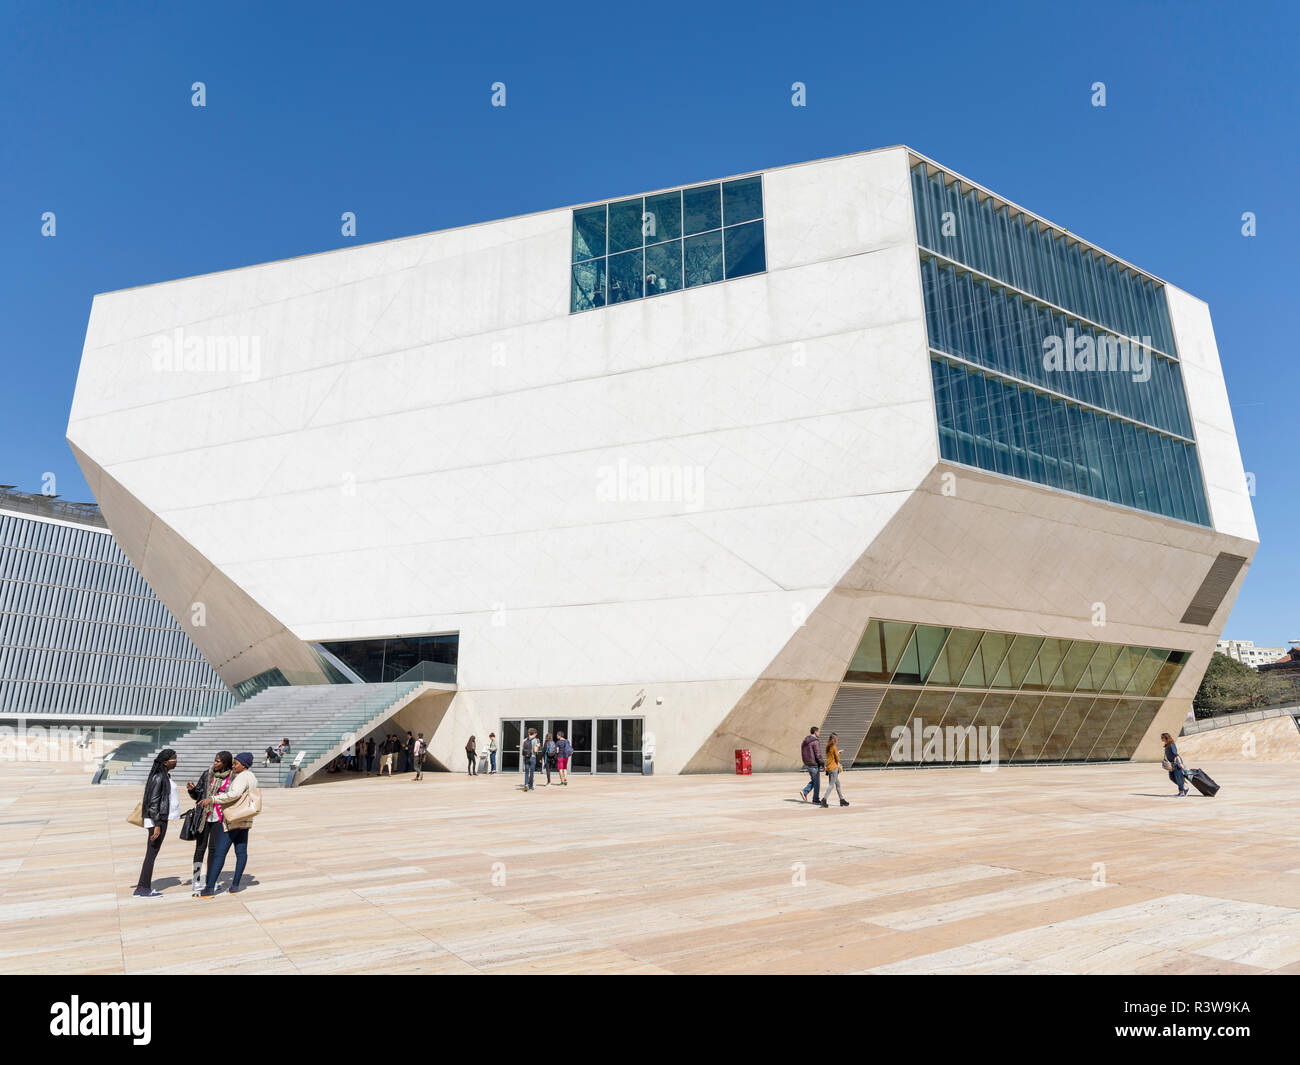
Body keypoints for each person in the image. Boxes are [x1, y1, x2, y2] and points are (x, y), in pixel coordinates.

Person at [200, 752, 259, 896]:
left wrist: (213, 799)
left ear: (243, 765)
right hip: (245, 819)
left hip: (232, 819)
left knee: (219, 854)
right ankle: (235, 885)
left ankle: (209, 888)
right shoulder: (252, 777)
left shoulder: (241, 777)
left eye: (236, 763)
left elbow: (234, 794)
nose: (233, 766)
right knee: (241, 852)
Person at [186, 751, 233, 897]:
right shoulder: (208, 774)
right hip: (204, 817)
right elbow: (198, 795)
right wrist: (192, 790)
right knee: (200, 849)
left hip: (219, 817)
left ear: (225, 763)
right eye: (215, 760)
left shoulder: (232, 777)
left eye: (218, 761)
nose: (215, 763)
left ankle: (211, 881)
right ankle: (196, 879)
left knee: (213, 849)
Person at [134, 748, 178, 898]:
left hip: (160, 819)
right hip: (156, 821)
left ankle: (142, 886)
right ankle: (143, 888)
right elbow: (154, 803)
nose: (176, 761)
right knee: (151, 854)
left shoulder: (165, 775)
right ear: (166, 762)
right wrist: (158, 825)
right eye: (174, 759)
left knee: (151, 854)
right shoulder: (159, 777)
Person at [800, 726, 826, 807]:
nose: (819, 733)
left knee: (814, 781)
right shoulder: (815, 741)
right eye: (818, 732)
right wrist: (823, 765)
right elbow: (818, 755)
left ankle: (805, 792)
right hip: (814, 765)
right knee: (817, 783)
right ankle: (815, 799)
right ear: (815, 732)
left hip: (808, 764)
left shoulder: (805, 740)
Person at [824, 732, 849, 807]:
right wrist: (838, 754)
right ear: (835, 739)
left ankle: (842, 800)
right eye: (837, 739)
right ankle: (824, 800)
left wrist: (837, 753)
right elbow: (837, 758)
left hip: (829, 767)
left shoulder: (827, 746)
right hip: (834, 768)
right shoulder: (834, 747)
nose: (838, 740)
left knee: (838, 784)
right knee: (831, 785)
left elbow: (831, 756)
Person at [1161, 731, 1190, 796]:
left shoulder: (1171, 745)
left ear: (1166, 738)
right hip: (1171, 765)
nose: (1161, 738)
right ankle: (1184, 788)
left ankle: (1182, 792)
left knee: (1178, 778)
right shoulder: (1166, 745)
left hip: (1176, 763)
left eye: (1162, 737)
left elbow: (1176, 755)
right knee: (1171, 777)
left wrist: (1180, 764)